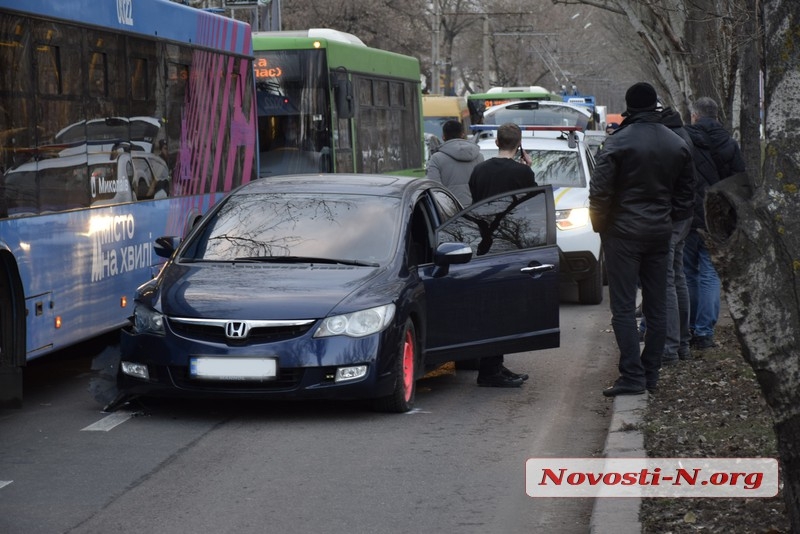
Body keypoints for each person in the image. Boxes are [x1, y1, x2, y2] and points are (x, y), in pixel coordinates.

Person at [589, 82, 695, 397]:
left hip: (622, 233)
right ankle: (650, 374)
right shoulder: (676, 143)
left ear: (629, 106)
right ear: (655, 106)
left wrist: (602, 228)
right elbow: (685, 195)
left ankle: (632, 375)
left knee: (622, 307)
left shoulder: (617, 143)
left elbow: (600, 192)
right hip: (659, 233)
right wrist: (668, 220)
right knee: (657, 304)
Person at [468, 122, 537, 388]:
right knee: (502, 309)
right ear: (518, 145)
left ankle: (494, 364)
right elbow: (529, 205)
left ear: (497, 142)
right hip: (509, 243)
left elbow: (476, 203)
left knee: (489, 306)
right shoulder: (522, 172)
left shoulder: (479, 171)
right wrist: (528, 169)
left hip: (484, 243)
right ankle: (490, 371)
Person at [683, 97, 745, 350]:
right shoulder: (729, 143)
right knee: (710, 275)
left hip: (688, 217)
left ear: (695, 116)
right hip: (716, 219)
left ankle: (687, 327)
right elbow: (739, 180)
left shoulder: (685, 140)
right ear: (717, 115)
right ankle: (705, 333)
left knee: (687, 274)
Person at [425, 119, 483, 206]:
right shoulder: (479, 156)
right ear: (462, 134)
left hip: (449, 211)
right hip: (475, 210)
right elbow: (483, 187)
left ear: (443, 136)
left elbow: (434, 189)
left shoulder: (436, 158)